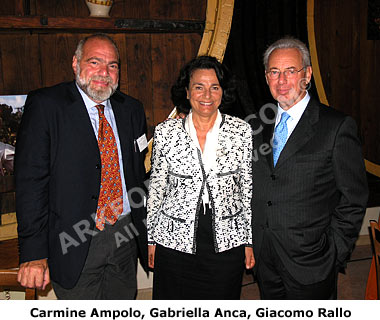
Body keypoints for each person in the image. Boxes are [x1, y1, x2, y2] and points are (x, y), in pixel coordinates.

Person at [15, 33, 148, 299]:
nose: (104, 73)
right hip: (74, 240)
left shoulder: (131, 109)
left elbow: (138, 174)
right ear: (75, 64)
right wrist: (33, 252)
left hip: (125, 235)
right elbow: (31, 183)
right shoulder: (46, 105)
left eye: (112, 65)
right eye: (95, 62)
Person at [252, 37, 368, 299]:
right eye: (274, 72)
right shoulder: (258, 126)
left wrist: (334, 253)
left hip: (312, 263)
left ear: (307, 74)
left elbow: (354, 198)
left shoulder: (336, 127)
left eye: (290, 71)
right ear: (266, 76)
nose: (282, 81)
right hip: (266, 258)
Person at [147, 56, 255, 299]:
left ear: (222, 91)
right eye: (199, 87)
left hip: (227, 240)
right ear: (187, 92)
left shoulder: (241, 131)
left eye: (214, 87)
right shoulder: (166, 132)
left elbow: (246, 190)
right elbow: (156, 189)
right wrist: (151, 239)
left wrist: (249, 241)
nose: (207, 94)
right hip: (173, 240)